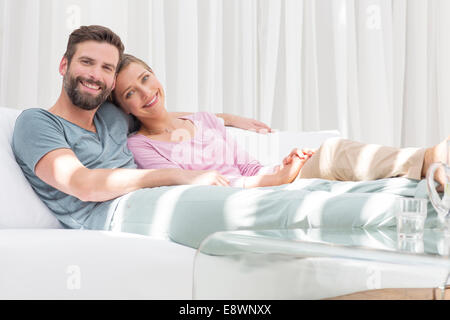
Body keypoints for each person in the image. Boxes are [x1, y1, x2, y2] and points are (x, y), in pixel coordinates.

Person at [11, 25, 276, 230]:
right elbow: (83, 184)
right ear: (64, 65)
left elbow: (154, 111)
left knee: (272, 203)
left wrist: (224, 117)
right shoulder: (37, 122)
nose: (95, 75)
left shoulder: (112, 117)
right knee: (254, 212)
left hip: (158, 199)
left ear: (112, 82)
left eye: (107, 68)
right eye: (87, 62)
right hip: (117, 216)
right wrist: (176, 175)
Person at [111, 53, 449, 190]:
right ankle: (431, 161)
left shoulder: (204, 121)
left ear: (155, 75)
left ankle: (430, 169)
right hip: (235, 202)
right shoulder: (138, 145)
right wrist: (278, 178)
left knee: (334, 154)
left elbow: (247, 169)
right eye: (129, 93)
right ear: (124, 108)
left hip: (265, 184)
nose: (145, 92)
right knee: (334, 155)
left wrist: (281, 167)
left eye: (145, 78)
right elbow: (207, 185)